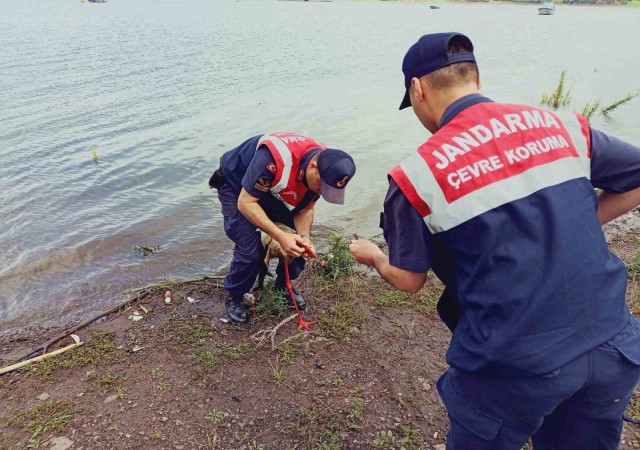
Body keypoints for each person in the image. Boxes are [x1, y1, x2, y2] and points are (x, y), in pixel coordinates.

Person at [349, 32, 640, 449]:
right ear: (476, 78)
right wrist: (580, 218)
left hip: (514, 366)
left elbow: (410, 279)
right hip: (613, 343)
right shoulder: (563, 126)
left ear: (418, 88)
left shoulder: (416, 177)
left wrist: (376, 257)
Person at [210, 132, 356, 324]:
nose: (322, 191)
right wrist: (279, 235)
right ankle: (235, 296)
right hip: (236, 186)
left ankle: (283, 285)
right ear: (313, 166)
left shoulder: (327, 168)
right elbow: (246, 203)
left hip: (271, 187)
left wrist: (303, 236)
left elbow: (305, 208)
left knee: (299, 244)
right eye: (321, 186)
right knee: (250, 249)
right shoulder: (275, 159)